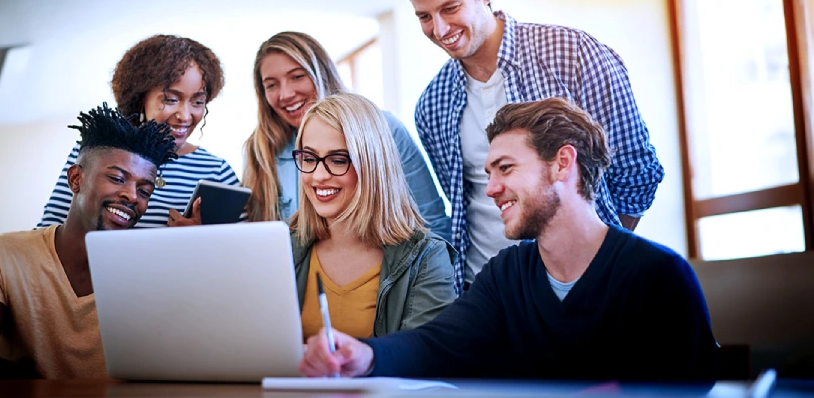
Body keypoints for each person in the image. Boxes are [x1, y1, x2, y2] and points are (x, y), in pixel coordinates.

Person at [299, 98, 718, 382]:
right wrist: (365, 356)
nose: (492, 188)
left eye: (505, 168)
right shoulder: (507, 274)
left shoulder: (657, 275)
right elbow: (437, 343)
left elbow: (693, 387)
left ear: (562, 164)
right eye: (489, 173)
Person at [403, 0, 665, 292]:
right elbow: (465, 205)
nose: (440, 29)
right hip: (488, 294)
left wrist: (596, 259)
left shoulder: (572, 55)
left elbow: (638, 172)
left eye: (450, 8)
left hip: (586, 282)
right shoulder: (432, 104)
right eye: (424, 17)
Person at [0, 104, 178, 379]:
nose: (132, 196)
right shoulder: (1, 255)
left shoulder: (153, 276)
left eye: (144, 190)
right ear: (76, 179)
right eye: (117, 178)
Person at [242, 31, 452, 244]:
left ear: (322, 74)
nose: (285, 94)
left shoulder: (384, 129)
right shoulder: (261, 151)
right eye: (271, 85)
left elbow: (432, 223)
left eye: (297, 76)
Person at [291, 94, 455, 340]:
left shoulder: (426, 258)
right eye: (310, 158)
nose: (318, 175)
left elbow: (429, 356)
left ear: (372, 165)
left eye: (338, 160)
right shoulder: (281, 246)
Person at [38, 35, 239, 228]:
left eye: (197, 102)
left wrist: (205, 239)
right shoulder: (98, 151)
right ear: (141, 98)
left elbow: (244, 249)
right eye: (170, 99)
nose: (185, 116)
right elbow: (49, 231)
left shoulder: (217, 171)